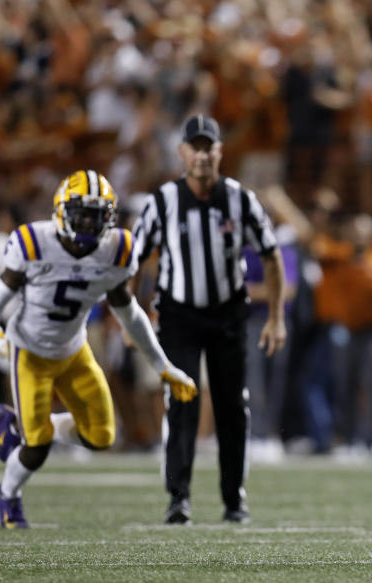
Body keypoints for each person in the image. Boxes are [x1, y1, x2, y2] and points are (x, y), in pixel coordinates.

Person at [0, 170, 196, 528]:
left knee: (101, 436)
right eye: (80, 214)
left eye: (96, 216)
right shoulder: (34, 242)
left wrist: (161, 365)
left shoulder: (117, 250)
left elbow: (130, 314)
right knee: (37, 448)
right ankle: (8, 495)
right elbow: (1, 295)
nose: (87, 224)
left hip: (74, 351)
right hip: (29, 352)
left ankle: (19, 424)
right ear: (61, 212)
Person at [132, 114, 287, 524]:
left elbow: (272, 255)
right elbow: (130, 262)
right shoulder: (163, 200)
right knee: (182, 401)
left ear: (219, 152)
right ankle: (178, 497)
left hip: (227, 315)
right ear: (182, 153)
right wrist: (130, 319)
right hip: (178, 314)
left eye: (208, 147)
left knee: (232, 406)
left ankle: (233, 498)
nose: (201, 155)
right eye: (194, 147)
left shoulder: (240, 198)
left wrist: (275, 317)